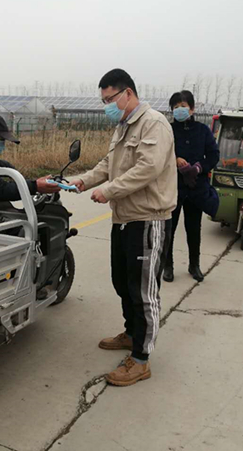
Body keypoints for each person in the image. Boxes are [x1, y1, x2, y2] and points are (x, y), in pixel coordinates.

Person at [71, 69, 177, 387]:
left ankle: (141, 359)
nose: (108, 106)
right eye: (104, 101)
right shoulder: (123, 127)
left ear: (128, 93)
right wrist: (83, 181)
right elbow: (108, 164)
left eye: (110, 99)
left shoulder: (154, 123)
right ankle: (132, 334)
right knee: (123, 282)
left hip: (147, 218)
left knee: (143, 291)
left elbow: (148, 167)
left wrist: (110, 190)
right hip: (123, 219)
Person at [163, 90, 220, 283]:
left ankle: (194, 264)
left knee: (194, 228)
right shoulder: (167, 130)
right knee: (168, 229)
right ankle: (168, 265)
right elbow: (159, 153)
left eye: (183, 106)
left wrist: (198, 168)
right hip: (173, 188)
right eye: (176, 107)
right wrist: (174, 159)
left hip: (196, 188)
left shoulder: (202, 130)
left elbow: (213, 155)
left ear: (192, 109)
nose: (179, 109)